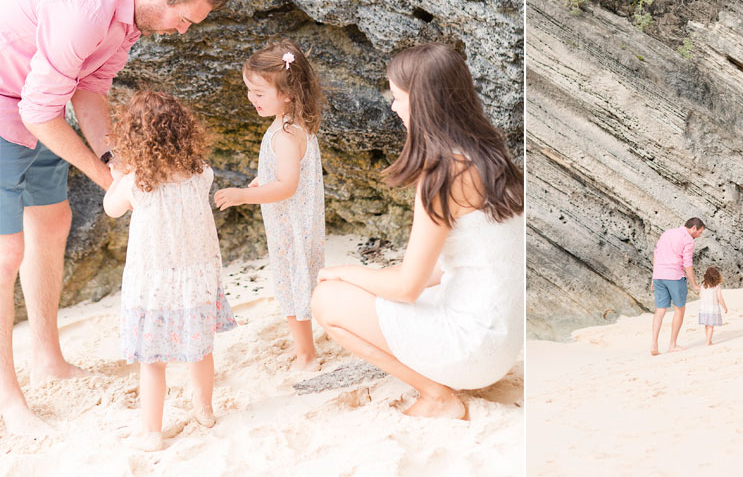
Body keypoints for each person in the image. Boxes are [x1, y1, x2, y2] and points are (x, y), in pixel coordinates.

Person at [0, 0, 228, 436]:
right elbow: (37, 112)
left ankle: (47, 359)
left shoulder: (132, 13)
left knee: (54, 219)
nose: (183, 31)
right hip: (13, 102)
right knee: (5, 253)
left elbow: (91, 88)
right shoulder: (84, 7)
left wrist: (118, 162)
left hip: (38, 98)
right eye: (184, 19)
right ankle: (6, 396)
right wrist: (116, 182)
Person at [310, 43, 523, 420]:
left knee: (326, 300)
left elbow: (408, 288)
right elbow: (453, 268)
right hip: (502, 342)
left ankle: (437, 396)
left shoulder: (443, 174)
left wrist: (343, 273)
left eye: (398, 97)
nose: (394, 108)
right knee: (377, 287)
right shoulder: (490, 156)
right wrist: (371, 282)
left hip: (472, 348)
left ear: (422, 102)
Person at [103, 91, 237, 451]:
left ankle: (151, 432)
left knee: (152, 360)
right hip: (196, 278)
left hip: (155, 283)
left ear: (134, 139)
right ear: (183, 130)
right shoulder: (201, 173)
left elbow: (111, 208)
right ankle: (204, 409)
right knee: (201, 349)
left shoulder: (136, 184)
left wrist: (118, 175)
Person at [214, 39, 325, 371]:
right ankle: (303, 348)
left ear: (288, 95)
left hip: (292, 225)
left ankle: (306, 354)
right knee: (295, 282)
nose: (251, 99)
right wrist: (263, 179)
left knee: (292, 285)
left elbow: (288, 186)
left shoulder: (285, 135)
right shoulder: (292, 125)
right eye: (249, 90)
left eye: (259, 94)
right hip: (295, 221)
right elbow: (289, 175)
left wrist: (242, 195)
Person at [649, 217, 704, 356]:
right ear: (694, 228)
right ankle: (672, 345)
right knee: (679, 309)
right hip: (674, 276)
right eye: (700, 232)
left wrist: (654, 276)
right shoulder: (688, 240)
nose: (700, 235)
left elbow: (656, 254)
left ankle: (654, 344)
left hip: (659, 275)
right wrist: (694, 284)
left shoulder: (667, 233)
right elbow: (687, 264)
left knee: (660, 310)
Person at [697, 266, 729, 345]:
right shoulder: (717, 286)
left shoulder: (703, 285)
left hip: (704, 309)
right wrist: (724, 307)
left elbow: (700, 296)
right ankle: (708, 341)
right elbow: (720, 298)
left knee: (706, 325)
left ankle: (708, 340)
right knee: (711, 326)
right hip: (712, 309)